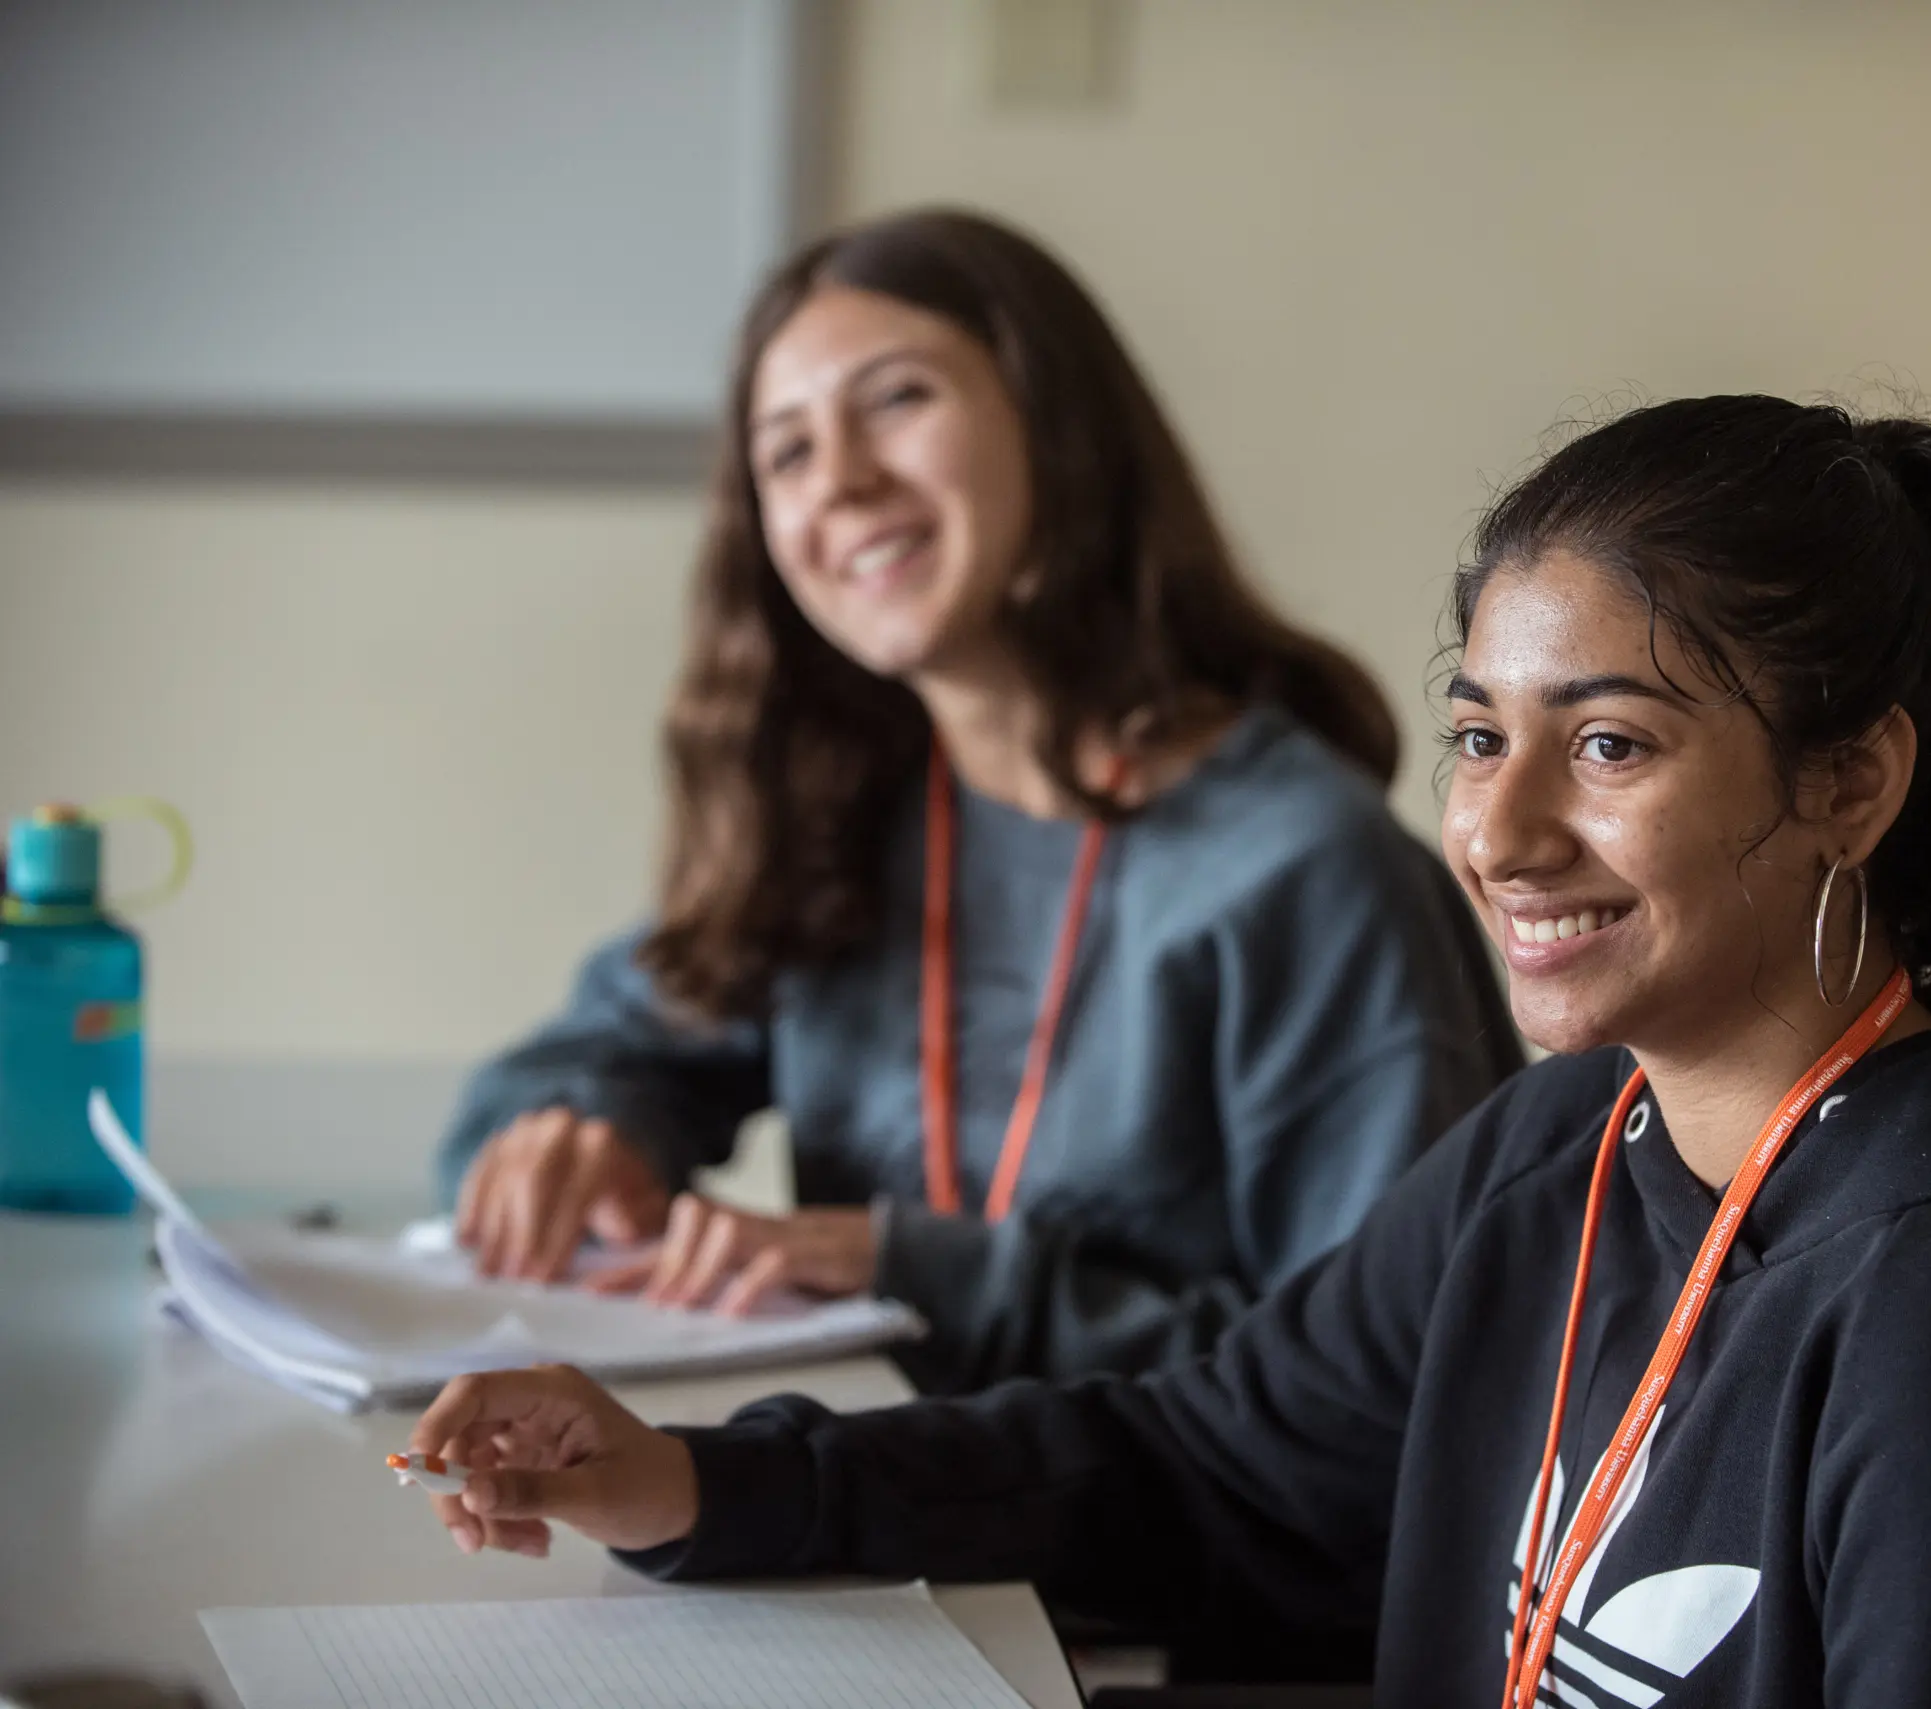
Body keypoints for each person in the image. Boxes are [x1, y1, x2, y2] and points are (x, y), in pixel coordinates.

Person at [411, 397, 1931, 1706]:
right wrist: (687, 1483)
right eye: (1481, 734)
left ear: (1849, 778)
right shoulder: (1563, 1151)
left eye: (1613, 742)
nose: (1501, 828)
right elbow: (1200, 1463)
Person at [436, 209, 1520, 1392]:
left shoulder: (1302, 866)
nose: (840, 480)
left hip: (1157, 1572)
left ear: (1059, 430)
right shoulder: (849, 818)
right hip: (896, 1530)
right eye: (786, 450)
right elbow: (576, 1062)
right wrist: (589, 1134)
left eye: (897, 399)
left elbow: (1373, 1389)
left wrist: (911, 1268)